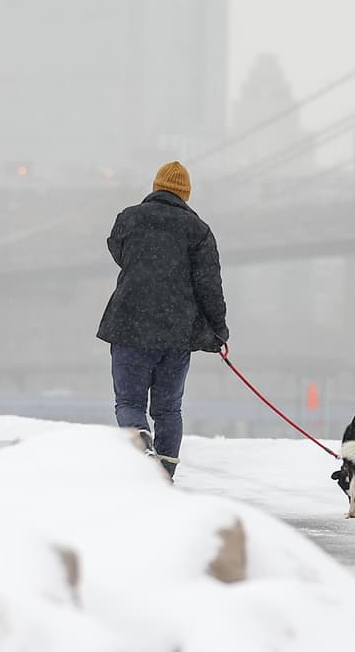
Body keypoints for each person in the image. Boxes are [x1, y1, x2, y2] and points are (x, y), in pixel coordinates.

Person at [96, 161, 229, 480]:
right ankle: (165, 472)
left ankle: (139, 444)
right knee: (168, 408)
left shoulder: (129, 218)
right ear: (185, 194)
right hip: (176, 333)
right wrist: (218, 332)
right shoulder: (198, 231)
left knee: (129, 402)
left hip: (129, 326)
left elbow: (118, 251)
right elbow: (209, 286)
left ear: (155, 188)